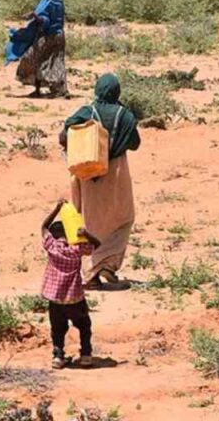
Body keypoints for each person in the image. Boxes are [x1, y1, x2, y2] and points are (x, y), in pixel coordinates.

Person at [60, 74, 141, 289]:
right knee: (123, 219)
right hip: (116, 173)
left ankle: (91, 275)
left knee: (88, 222)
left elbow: (65, 132)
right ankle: (106, 264)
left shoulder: (87, 112)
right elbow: (135, 143)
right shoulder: (125, 116)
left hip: (88, 174)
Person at [40, 199, 100, 369]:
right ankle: (86, 355)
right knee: (84, 326)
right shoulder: (76, 249)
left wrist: (56, 209)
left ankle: (58, 357)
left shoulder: (51, 247)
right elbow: (98, 244)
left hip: (56, 298)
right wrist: (84, 234)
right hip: (75, 298)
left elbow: (44, 227)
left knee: (57, 329)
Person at [5, 0, 69, 98]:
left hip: (47, 37)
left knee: (33, 58)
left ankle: (48, 89)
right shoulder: (59, 3)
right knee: (55, 62)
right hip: (59, 37)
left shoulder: (48, 4)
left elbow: (46, 21)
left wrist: (34, 16)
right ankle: (56, 89)